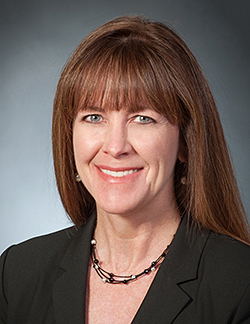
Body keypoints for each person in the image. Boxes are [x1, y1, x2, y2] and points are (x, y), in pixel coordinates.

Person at [1, 15, 250, 324]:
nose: (116, 146)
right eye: (94, 117)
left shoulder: (239, 285)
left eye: (142, 118)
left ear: (185, 142)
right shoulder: (18, 273)